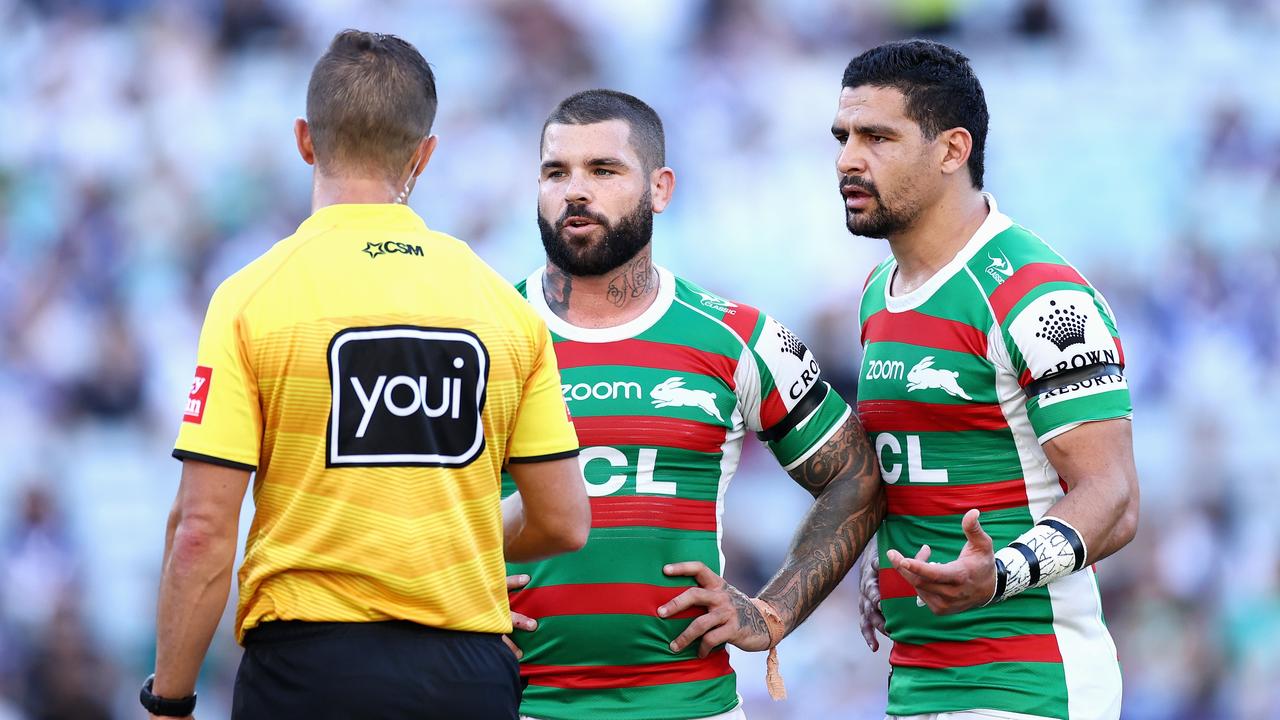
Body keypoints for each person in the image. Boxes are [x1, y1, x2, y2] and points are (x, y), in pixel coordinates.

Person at [144, 30, 589, 720]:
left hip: (306, 674)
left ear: (305, 140)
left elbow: (201, 530)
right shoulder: (502, 306)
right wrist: (448, 533)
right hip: (466, 677)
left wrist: (166, 701)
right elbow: (563, 520)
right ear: (424, 155)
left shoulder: (251, 298)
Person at [501, 89, 885, 720]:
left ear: (660, 188)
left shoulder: (738, 336)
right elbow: (403, 496)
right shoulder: (481, 336)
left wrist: (772, 611)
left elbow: (857, 478)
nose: (575, 191)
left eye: (603, 170)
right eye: (555, 172)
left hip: (692, 706)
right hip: (518, 703)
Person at [834, 40, 1140, 720]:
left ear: (952, 150)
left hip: (1030, 683)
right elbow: (920, 462)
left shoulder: (1039, 296)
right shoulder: (878, 293)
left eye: (878, 137)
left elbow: (1113, 496)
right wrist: (876, 564)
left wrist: (1001, 572)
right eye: (845, 136)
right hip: (918, 683)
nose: (848, 159)